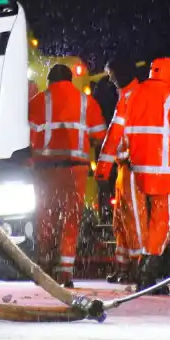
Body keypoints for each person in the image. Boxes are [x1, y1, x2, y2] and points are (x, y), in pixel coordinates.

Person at [121, 56, 170, 294]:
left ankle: (144, 270)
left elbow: (123, 134)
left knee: (144, 221)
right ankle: (147, 275)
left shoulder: (132, 95)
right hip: (165, 173)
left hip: (138, 171)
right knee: (163, 223)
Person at [28, 64, 107, 288]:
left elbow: (27, 134)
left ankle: (44, 266)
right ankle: (65, 272)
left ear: (51, 81)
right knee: (71, 219)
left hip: (45, 169)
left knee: (46, 215)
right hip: (76, 170)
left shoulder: (38, 101)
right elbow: (101, 135)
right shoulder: (86, 102)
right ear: (71, 80)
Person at [93, 57, 144, 284]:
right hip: (125, 168)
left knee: (133, 220)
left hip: (133, 167)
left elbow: (115, 136)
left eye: (112, 76)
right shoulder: (129, 96)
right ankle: (124, 266)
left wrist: (102, 169)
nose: (110, 80)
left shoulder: (132, 97)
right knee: (121, 221)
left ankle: (139, 268)